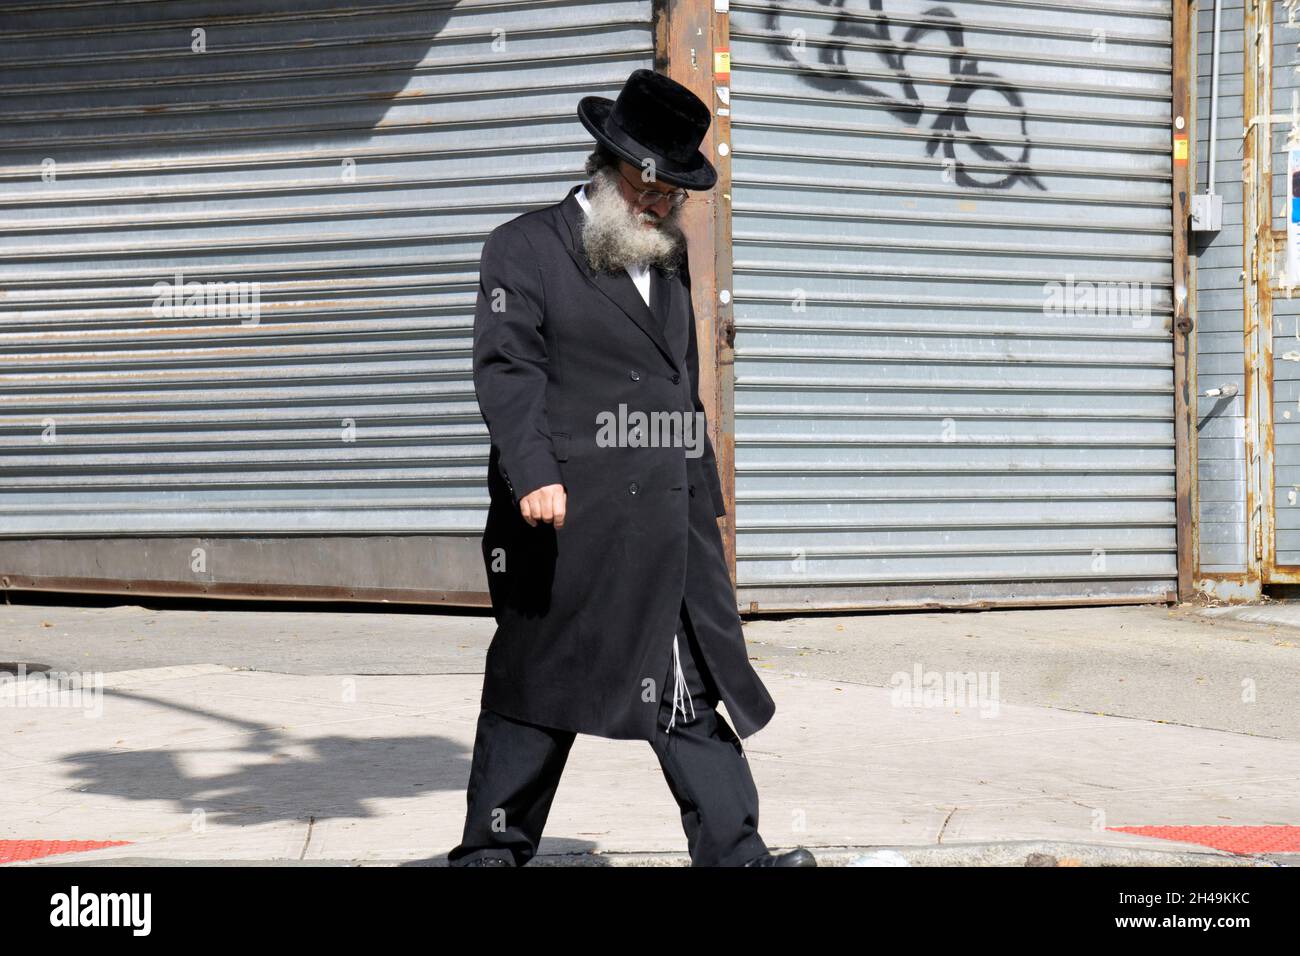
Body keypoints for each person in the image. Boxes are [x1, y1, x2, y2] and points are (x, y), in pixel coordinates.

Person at [448, 69, 815, 868]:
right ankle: (490, 853)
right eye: (650, 185)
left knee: (683, 683)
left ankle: (736, 853)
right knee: (537, 689)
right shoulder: (525, 247)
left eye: (673, 191)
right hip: (565, 519)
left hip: (660, 525)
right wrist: (534, 473)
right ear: (610, 164)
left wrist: (702, 494)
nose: (661, 203)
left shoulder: (667, 260)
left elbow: (679, 384)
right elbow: (508, 372)